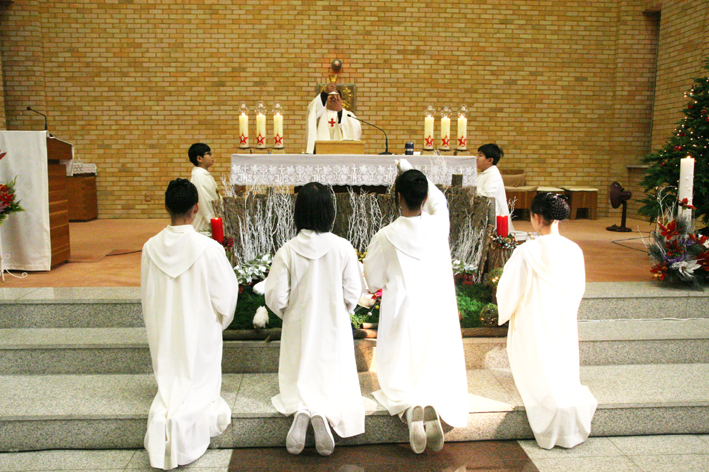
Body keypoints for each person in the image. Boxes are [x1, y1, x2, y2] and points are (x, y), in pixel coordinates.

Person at [363, 160, 468, 454]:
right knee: (431, 363)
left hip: (402, 315)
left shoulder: (385, 236)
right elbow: (439, 200)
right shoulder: (439, 225)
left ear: (398, 197)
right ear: (424, 197)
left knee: (396, 375)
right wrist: (409, 168)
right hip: (435, 312)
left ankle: (410, 411)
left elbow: (373, 280)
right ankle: (429, 400)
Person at [141, 178, 239, 470]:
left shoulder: (150, 248)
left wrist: (159, 326)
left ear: (166, 206)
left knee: (173, 386)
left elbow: (148, 296)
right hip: (201, 335)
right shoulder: (208, 249)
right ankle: (182, 424)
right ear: (196, 208)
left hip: (165, 335)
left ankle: (167, 420)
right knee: (197, 388)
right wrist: (218, 324)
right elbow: (226, 296)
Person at [264, 182, 365, 456]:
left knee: (298, 377)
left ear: (299, 213)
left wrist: (291, 314)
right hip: (334, 326)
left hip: (299, 326)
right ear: (329, 212)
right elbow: (353, 292)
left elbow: (275, 297)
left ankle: (301, 409)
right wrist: (340, 310)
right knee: (333, 377)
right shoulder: (343, 247)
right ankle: (322, 412)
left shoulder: (287, 250)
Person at [496, 192, 597, 449]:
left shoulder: (526, 252)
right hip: (562, 319)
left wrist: (504, 312)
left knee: (535, 361)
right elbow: (578, 289)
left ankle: (548, 405)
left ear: (536, 218)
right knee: (561, 362)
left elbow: (509, 290)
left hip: (533, 321)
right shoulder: (574, 250)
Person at [305, 82, 362, 154]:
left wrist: (339, 111)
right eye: (330, 96)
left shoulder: (348, 115)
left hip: (342, 153)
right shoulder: (320, 114)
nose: (333, 99)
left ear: (341, 100)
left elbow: (355, 129)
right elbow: (312, 110)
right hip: (321, 153)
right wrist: (325, 92)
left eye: (337, 97)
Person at [476, 143, 514, 231]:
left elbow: (489, 195)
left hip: (493, 217)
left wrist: (472, 189)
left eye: (480, 156)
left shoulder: (493, 174)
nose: (476, 158)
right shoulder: (484, 173)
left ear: (490, 160)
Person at [188, 143, 219, 233]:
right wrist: (212, 221)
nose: (212, 157)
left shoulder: (204, 175)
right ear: (199, 158)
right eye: (209, 154)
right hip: (205, 224)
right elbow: (204, 201)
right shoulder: (199, 176)